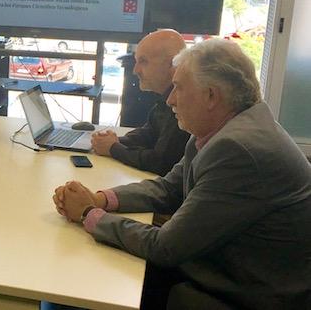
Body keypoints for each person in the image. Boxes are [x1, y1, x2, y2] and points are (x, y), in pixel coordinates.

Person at [53, 39, 311, 309]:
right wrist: (100, 199)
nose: (170, 99)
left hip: (250, 294)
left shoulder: (237, 150)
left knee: (92, 282)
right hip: (227, 266)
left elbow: (165, 247)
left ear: (211, 96)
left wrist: (88, 214)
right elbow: (167, 189)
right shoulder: (219, 130)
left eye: (178, 87)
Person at [91, 29, 190, 175]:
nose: (135, 70)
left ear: (172, 64)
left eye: (143, 61)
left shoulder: (184, 104)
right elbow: (148, 134)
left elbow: (161, 163)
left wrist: (113, 148)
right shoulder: (164, 99)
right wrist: (111, 141)